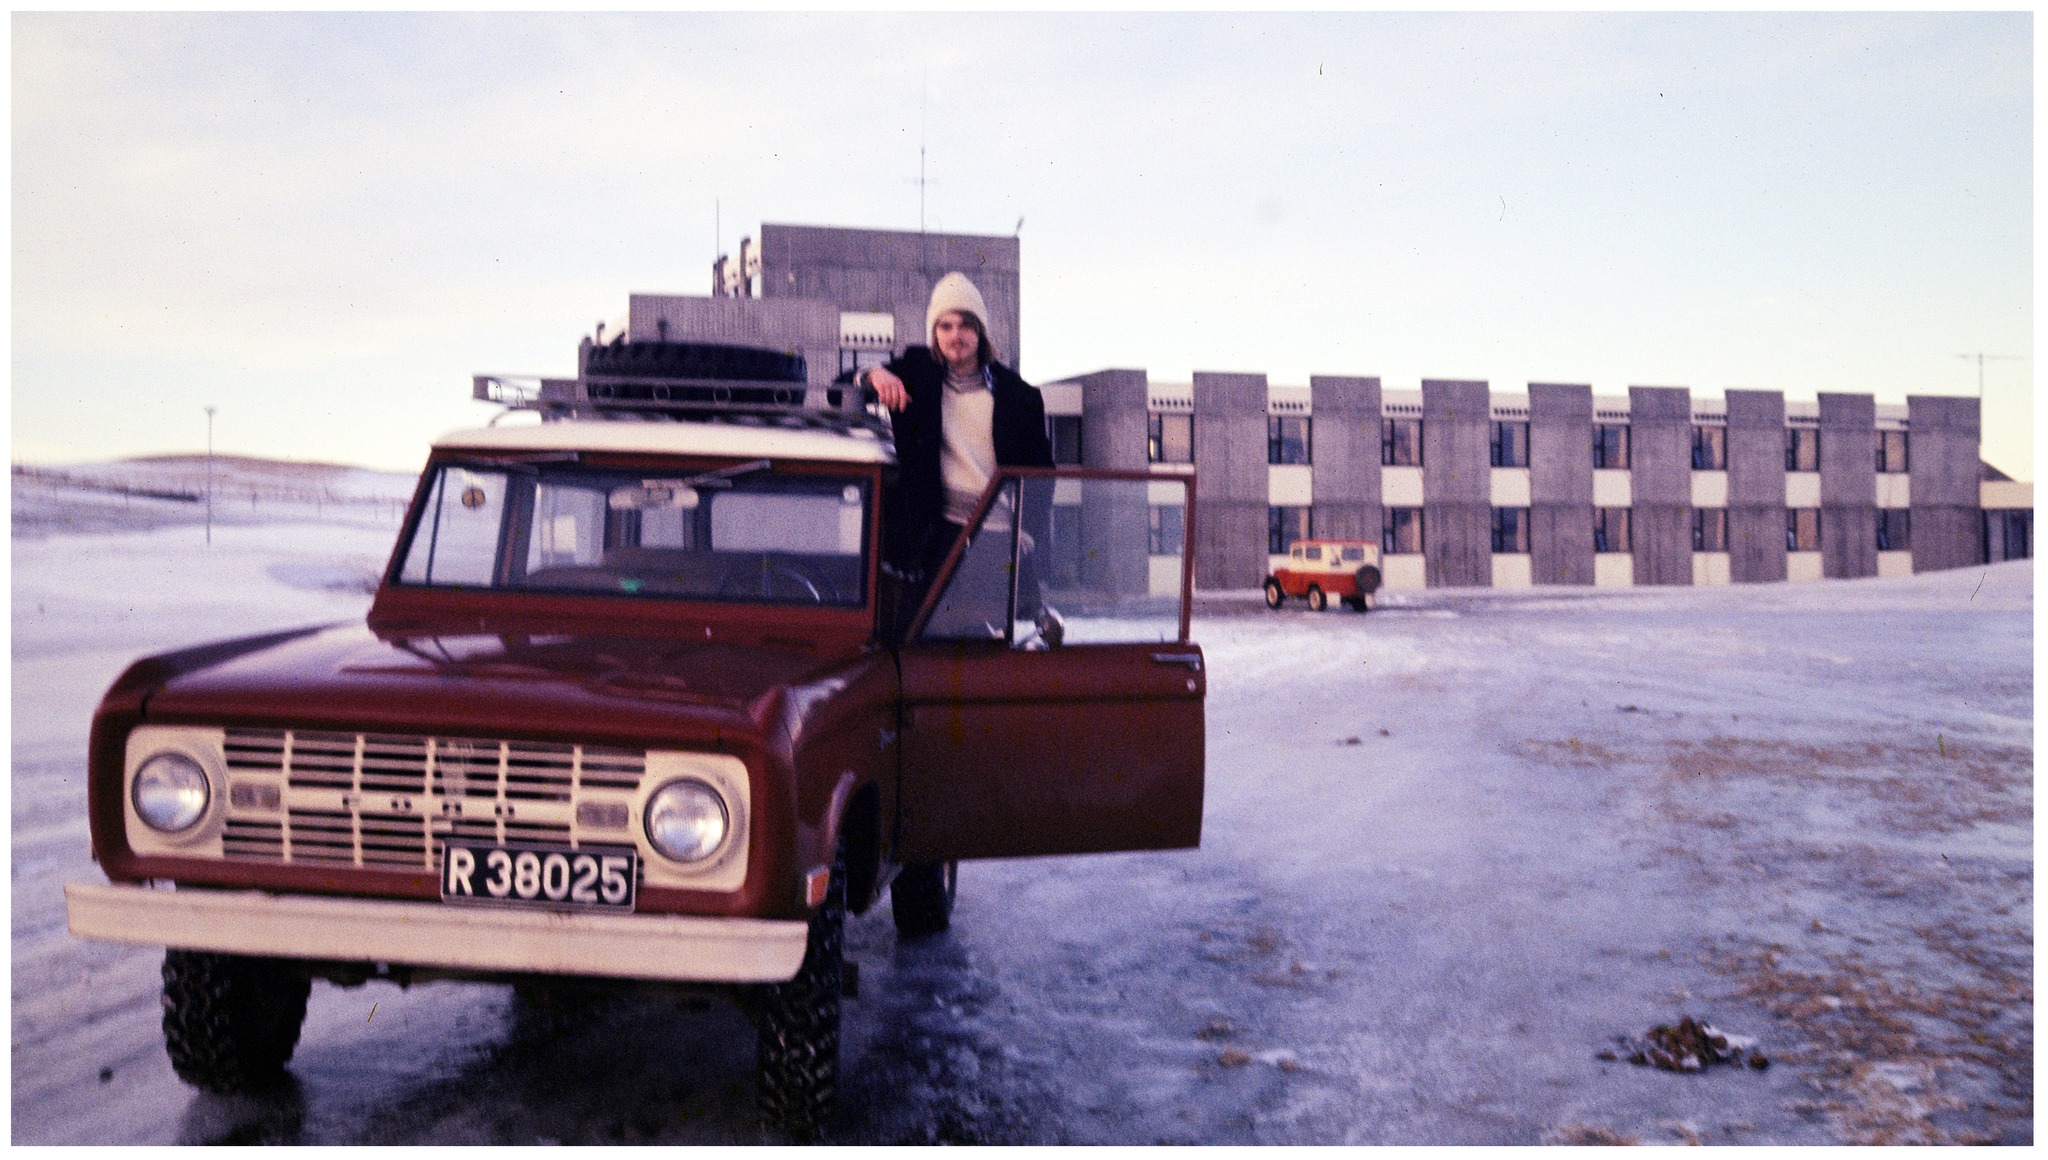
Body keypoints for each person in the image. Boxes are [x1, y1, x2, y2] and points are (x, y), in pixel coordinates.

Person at [858, 273, 1053, 612]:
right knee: (919, 635)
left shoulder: (1019, 395)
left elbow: (1042, 475)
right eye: (945, 326)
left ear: (981, 332)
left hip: (996, 535)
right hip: (934, 535)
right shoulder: (917, 372)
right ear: (934, 332)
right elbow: (838, 390)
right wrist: (873, 373)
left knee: (990, 638)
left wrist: (1027, 533)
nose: (955, 335)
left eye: (965, 325)